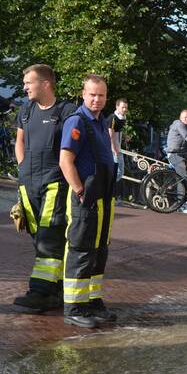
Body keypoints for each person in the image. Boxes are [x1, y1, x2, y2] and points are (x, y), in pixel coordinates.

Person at [11, 64, 78, 314]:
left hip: (53, 183)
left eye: (29, 82)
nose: (25, 87)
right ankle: (56, 289)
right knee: (38, 237)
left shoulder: (66, 112)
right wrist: (22, 168)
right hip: (28, 183)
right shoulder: (26, 110)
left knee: (50, 238)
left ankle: (40, 293)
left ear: (46, 84)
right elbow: (20, 141)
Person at [59, 74, 118, 328]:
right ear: (83, 95)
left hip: (103, 199)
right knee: (81, 250)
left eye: (101, 95)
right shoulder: (77, 120)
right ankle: (74, 307)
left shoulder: (102, 121)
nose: (96, 99)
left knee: (99, 251)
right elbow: (65, 161)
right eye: (92, 94)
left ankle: (93, 302)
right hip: (87, 199)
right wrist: (80, 191)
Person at [166, 108, 187, 211]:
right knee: (183, 177)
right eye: (185, 117)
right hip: (175, 154)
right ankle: (181, 204)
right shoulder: (179, 125)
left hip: (182, 155)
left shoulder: (185, 127)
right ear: (181, 118)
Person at [109, 97, 128, 190]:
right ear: (117, 107)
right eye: (122, 107)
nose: (124, 110)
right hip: (113, 148)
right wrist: (114, 148)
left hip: (117, 147)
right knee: (118, 171)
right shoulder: (113, 118)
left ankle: (108, 187)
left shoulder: (122, 118)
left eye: (126, 108)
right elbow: (110, 134)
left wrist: (124, 136)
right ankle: (107, 187)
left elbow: (118, 131)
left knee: (120, 171)